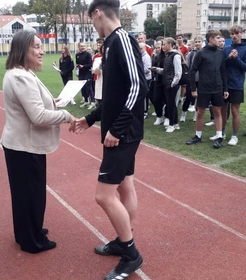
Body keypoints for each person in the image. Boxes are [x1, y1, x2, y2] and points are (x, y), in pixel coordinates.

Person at [72, 0, 147, 278]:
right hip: (119, 130)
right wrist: (90, 119)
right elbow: (114, 94)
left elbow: (139, 86)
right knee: (125, 186)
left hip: (123, 133)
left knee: (103, 195)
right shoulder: (111, 44)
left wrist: (117, 128)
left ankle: (131, 254)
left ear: (98, 12)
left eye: (91, 18)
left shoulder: (123, 39)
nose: (92, 23)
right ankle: (122, 239)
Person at [1, 29, 75, 254]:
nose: (41, 52)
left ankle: (29, 231)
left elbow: (32, 105)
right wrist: (66, 115)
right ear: (24, 50)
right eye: (36, 47)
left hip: (24, 144)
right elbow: (38, 116)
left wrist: (54, 101)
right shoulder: (21, 76)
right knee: (29, 194)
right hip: (24, 146)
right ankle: (31, 241)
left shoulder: (22, 72)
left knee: (28, 193)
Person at [186, 30, 228, 149]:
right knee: (200, 112)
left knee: (218, 112)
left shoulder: (221, 53)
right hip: (204, 88)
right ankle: (198, 136)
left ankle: (219, 136)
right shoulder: (201, 53)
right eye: (217, 38)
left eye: (220, 38)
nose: (220, 40)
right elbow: (192, 71)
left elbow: (223, 71)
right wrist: (193, 89)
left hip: (218, 88)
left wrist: (225, 88)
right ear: (210, 39)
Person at [219, 25, 246, 146]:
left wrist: (237, 58)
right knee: (223, 109)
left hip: (237, 84)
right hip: (225, 84)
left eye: (237, 33)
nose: (234, 36)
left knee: (235, 111)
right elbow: (222, 65)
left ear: (241, 34)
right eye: (232, 33)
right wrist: (229, 58)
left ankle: (234, 135)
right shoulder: (226, 49)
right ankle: (221, 133)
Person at [162, 37, 182, 133]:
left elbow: (178, 72)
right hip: (168, 83)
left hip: (171, 84)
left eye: (164, 44)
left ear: (170, 44)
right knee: (171, 104)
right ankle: (175, 123)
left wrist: (173, 83)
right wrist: (157, 70)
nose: (162, 46)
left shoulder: (175, 56)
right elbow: (167, 70)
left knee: (171, 104)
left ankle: (171, 124)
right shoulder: (168, 55)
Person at [76, 42, 95, 109]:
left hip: (87, 73)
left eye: (84, 46)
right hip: (81, 74)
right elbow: (77, 63)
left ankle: (93, 102)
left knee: (89, 88)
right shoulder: (77, 55)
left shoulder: (88, 54)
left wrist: (83, 66)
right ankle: (86, 102)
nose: (83, 47)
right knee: (83, 88)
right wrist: (77, 66)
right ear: (79, 47)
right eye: (81, 46)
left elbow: (90, 64)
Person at [139, 42, 151, 118]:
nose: (139, 50)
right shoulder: (140, 56)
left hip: (146, 78)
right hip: (141, 78)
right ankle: (142, 110)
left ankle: (145, 112)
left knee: (144, 95)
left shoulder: (146, 57)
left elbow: (147, 69)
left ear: (145, 48)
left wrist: (138, 70)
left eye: (141, 48)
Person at [93, 39, 104, 107]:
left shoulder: (112, 58)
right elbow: (95, 71)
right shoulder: (97, 59)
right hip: (101, 83)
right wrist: (101, 64)